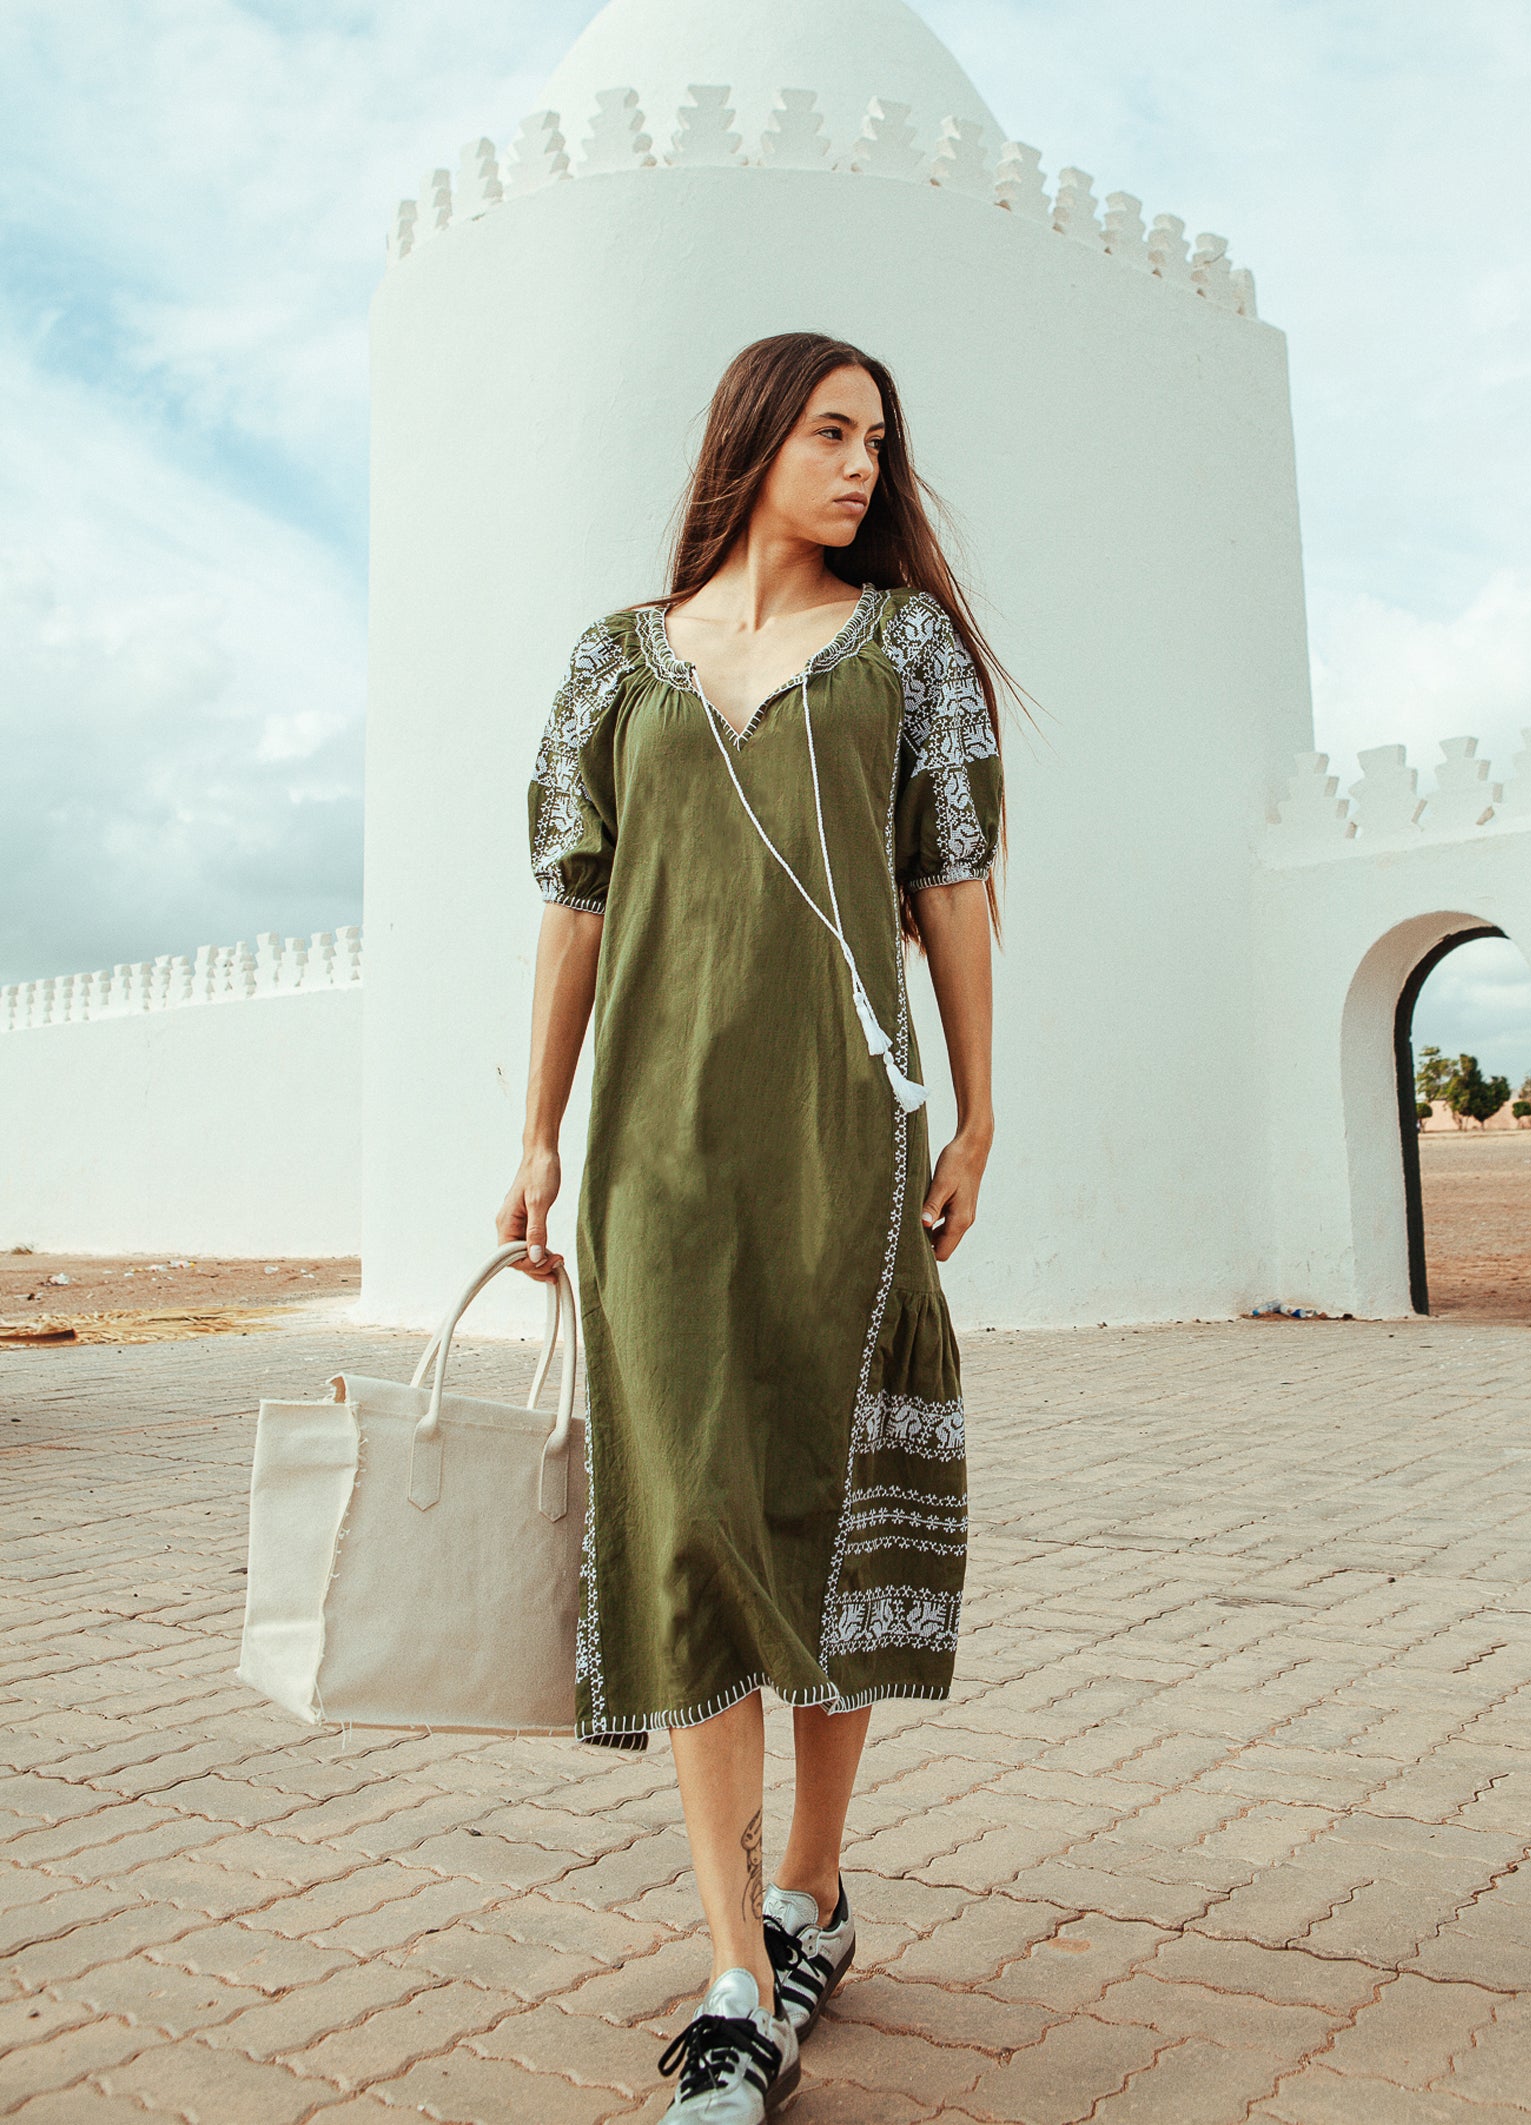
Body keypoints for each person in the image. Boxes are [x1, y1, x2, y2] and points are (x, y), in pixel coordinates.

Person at [498, 331, 1008, 2120]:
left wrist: (976, 1109)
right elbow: (574, 906)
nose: (865, 464)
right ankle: (735, 1970)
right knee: (693, 1518)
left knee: (815, 1503)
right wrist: (538, 1135)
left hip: (838, 1140)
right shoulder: (611, 666)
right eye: (830, 430)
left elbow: (949, 879)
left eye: (882, 438)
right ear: (751, 441)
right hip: (650, 1156)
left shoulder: (907, 652)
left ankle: (810, 1888)